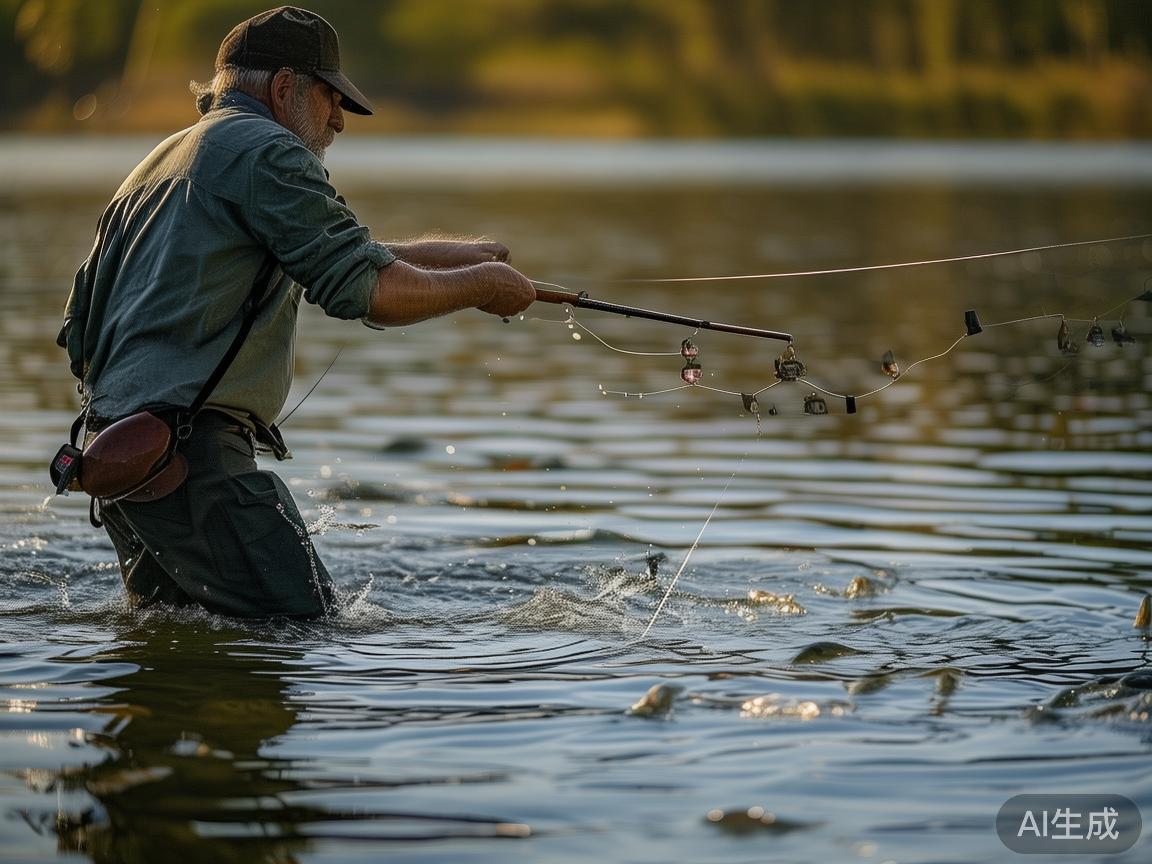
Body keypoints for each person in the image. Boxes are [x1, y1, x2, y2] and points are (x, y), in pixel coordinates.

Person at [58, 6, 537, 618]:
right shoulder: (267, 150)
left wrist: (454, 259)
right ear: (284, 88)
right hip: (196, 466)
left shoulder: (161, 163)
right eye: (330, 96)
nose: (339, 119)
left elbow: (318, 255)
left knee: (176, 658)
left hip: (121, 464)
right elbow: (366, 291)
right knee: (305, 634)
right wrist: (482, 284)